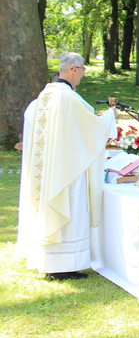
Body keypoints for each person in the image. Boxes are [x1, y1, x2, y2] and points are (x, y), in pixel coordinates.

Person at [18, 52, 117, 281]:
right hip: (66, 171)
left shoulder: (41, 99)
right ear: (74, 69)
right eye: (82, 69)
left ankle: (49, 260)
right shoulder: (69, 99)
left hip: (43, 172)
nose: (83, 74)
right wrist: (110, 117)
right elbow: (93, 128)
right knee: (71, 210)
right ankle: (64, 265)